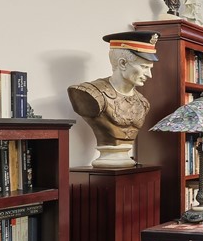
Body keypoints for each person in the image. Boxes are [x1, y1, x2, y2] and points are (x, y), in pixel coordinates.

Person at [68, 31, 158, 167]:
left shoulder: (143, 103)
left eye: (150, 68)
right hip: (106, 163)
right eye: (144, 67)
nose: (149, 75)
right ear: (122, 63)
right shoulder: (89, 93)